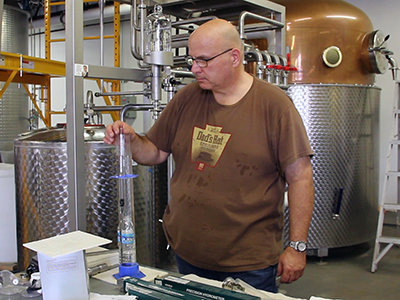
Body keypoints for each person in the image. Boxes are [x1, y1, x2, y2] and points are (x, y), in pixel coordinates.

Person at [104, 18, 314, 293]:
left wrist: (297, 246)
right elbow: (154, 151)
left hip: (248, 263)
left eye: (203, 61)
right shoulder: (187, 98)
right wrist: (131, 140)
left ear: (234, 57)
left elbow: (300, 177)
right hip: (188, 254)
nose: (194, 69)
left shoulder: (274, 106)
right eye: (192, 60)